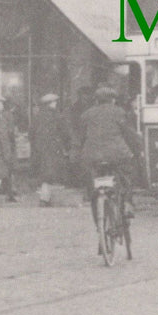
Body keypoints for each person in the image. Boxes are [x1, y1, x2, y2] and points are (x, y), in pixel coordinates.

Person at [78, 86, 141, 221]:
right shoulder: (119, 112)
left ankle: (98, 225)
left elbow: (80, 137)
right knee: (127, 175)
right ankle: (127, 203)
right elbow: (129, 134)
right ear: (113, 100)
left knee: (94, 188)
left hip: (92, 155)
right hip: (117, 153)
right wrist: (138, 149)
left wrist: (78, 153)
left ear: (96, 101)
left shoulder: (86, 114)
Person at [30, 93, 71, 207]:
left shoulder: (37, 117)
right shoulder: (58, 116)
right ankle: (44, 198)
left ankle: (45, 197)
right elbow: (65, 133)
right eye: (54, 102)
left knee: (45, 172)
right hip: (53, 148)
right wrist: (67, 146)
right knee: (50, 173)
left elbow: (31, 133)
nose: (55, 104)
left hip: (39, 148)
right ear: (51, 104)